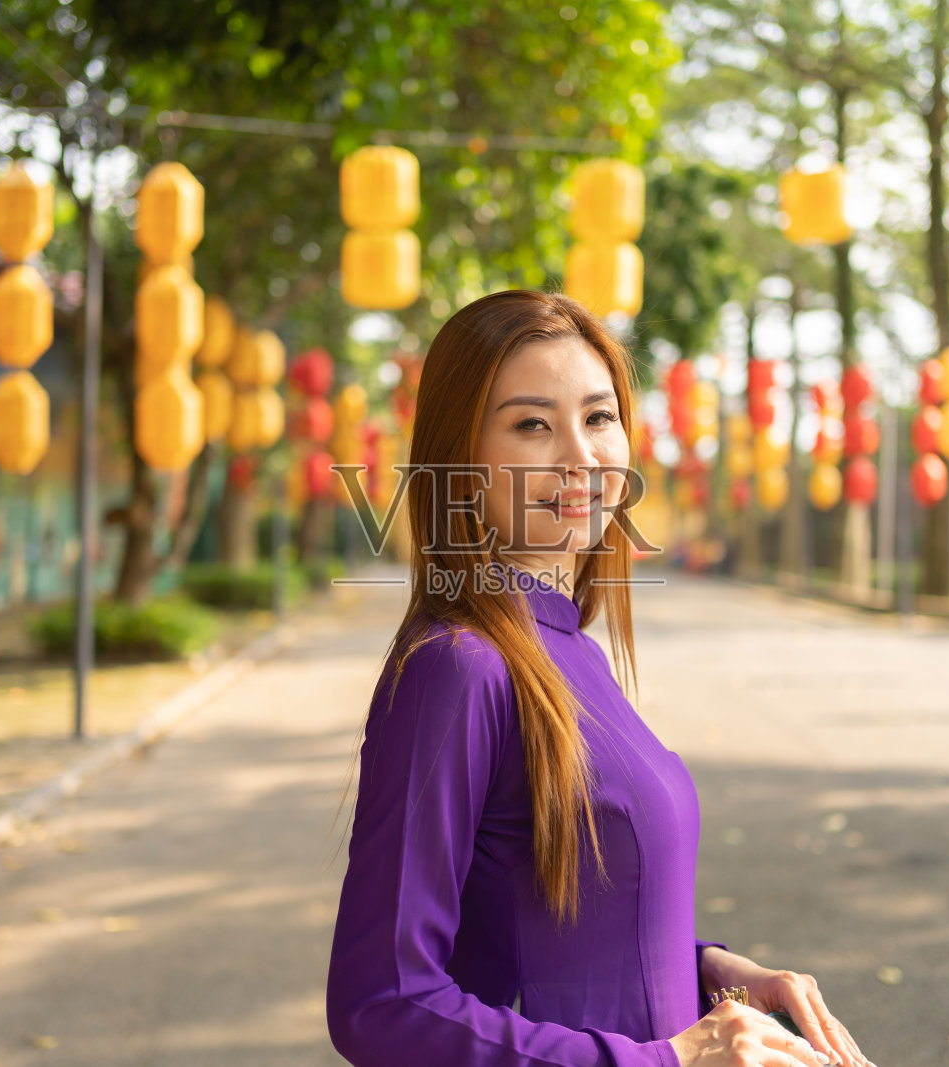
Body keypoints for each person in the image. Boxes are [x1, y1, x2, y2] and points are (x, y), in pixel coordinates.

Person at [327, 290, 878, 1067]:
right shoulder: (458, 666)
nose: (581, 458)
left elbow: (567, 921)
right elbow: (381, 1003)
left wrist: (714, 974)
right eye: (531, 425)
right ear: (462, 462)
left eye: (597, 417)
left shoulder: (567, 645)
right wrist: (670, 1059)